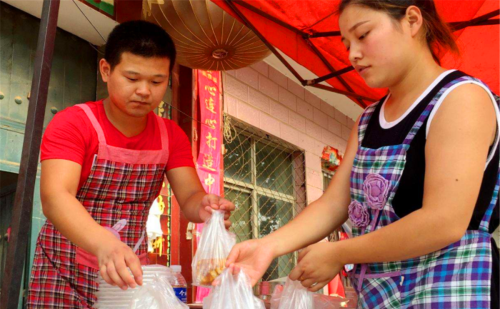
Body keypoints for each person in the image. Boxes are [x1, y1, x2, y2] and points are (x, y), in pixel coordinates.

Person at [225, 1, 499, 308]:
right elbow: (334, 204)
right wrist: (267, 246)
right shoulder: (368, 120)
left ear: (411, 20)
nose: (353, 54)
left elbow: (443, 221)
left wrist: (340, 252)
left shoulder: (461, 99)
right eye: (346, 44)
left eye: (363, 35)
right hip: (379, 296)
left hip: (449, 289)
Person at [26, 20, 234, 308]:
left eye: (157, 81)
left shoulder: (171, 135)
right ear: (106, 70)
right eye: (133, 78)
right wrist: (104, 244)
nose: (144, 91)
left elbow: (189, 196)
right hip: (63, 270)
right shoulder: (74, 123)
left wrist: (204, 207)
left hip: (131, 273)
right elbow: (55, 197)